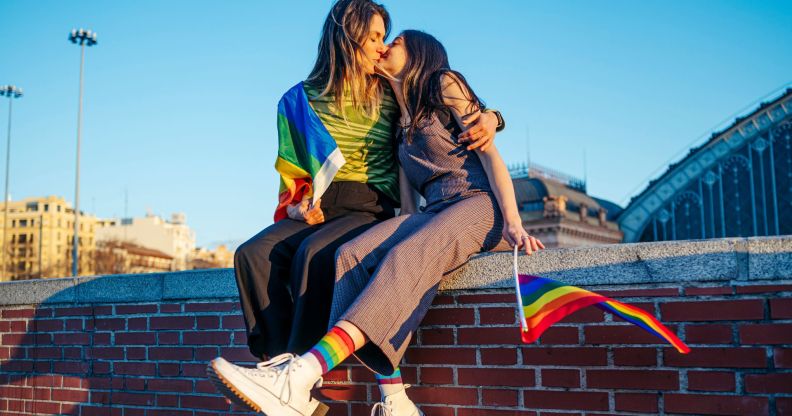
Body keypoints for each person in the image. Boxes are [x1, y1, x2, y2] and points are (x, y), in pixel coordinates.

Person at [209, 29, 543, 416]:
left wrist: (513, 221)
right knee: (352, 253)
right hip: (434, 212)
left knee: (408, 254)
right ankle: (396, 399)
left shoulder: (443, 83)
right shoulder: (400, 123)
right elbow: (407, 207)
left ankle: (300, 376)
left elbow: (490, 157)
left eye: (395, 41)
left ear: (418, 52)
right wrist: (392, 232)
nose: (385, 46)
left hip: (479, 205)